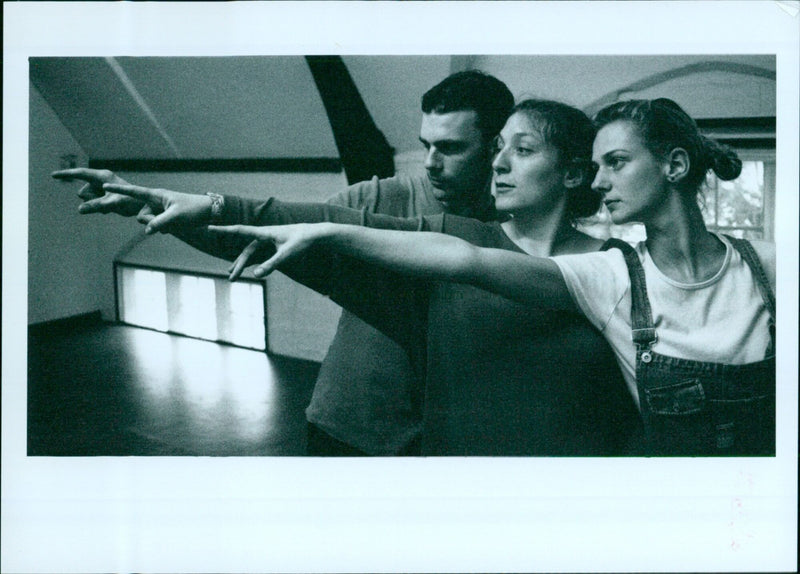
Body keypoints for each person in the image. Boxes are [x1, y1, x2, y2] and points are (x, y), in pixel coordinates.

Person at [204, 98, 774, 456]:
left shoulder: (731, 267)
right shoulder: (606, 272)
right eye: (498, 149)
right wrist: (225, 209)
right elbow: (459, 257)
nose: (497, 165)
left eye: (615, 164)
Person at [91, 99, 642, 455]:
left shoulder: (620, 269)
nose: (499, 165)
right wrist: (204, 207)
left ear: (573, 172)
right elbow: (324, 228)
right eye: (498, 150)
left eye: (522, 151)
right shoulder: (451, 239)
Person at [53, 70, 513, 456]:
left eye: (450, 148)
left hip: (449, 439)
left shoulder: (518, 226)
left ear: (496, 148)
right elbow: (264, 234)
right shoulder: (377, 197)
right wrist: (159, 213)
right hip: (348, 426)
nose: (431, 162)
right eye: (425, 145)